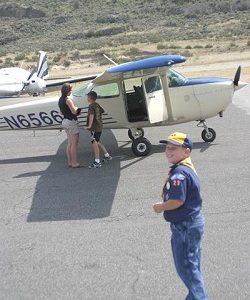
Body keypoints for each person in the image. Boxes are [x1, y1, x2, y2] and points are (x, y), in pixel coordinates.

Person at [153, 132, 208, 300]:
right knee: (192, 264)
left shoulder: (179, 174)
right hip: (191, 223)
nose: (168, 152)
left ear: (187, 151)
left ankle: (199, 297)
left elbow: (177, 200)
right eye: (167, 148)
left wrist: (160, 207)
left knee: (186, 267)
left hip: (185, 226)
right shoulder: (186, 167)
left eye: (174, 149)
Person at [85, 91, 112, 168]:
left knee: (94, 142)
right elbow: (102, 111)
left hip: (94, 127)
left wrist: (89, 126)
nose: (87, 98)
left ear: (90, 98)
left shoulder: (91, 106)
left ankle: (97, 162)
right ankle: (107, 155)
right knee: (97, 141)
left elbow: (91, 115)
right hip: (99, 126)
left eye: (87, 97)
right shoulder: (97, 105)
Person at [58, 83, 81, 168]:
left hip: (65, 121)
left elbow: (61, 112)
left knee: (70, 143)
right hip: (71, 122)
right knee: (74, 144)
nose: (71, 91)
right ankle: (74, 162)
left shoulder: (60, 100)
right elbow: (74, 111)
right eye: (70, 90)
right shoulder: (68, 100)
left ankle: (70, 162)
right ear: (67, 91)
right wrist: (78, 108)